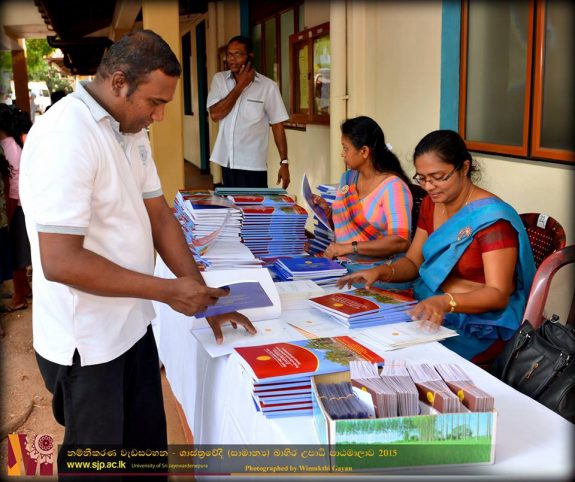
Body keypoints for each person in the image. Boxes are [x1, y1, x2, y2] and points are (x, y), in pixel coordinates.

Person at [19, 30, 256, 476]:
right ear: (119, 82)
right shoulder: (67, 134)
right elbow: (61, 261)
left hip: (132, 326)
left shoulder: (129, 129)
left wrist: (200, 296)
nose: (160, 115)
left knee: (144, 457)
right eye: (155, 102)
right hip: (87, 343)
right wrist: (168, 291)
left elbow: (159, 216)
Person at [337, 130, 536, 362]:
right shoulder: (431, 205)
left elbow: (497, 294)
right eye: (422, 178)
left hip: (480, 324)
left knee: (407, 362)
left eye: (438, 177)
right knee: (364, 343)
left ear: (464, 168)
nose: (429, 186)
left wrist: (445, 301)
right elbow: (413, 263)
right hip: (431, 306)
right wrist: (381, 271)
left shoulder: (492, 220)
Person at [311, 116, 413, 266]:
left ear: (364, 151)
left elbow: (400, 241)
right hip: (342, 264)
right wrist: (327, 212)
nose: (342, 154)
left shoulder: (393, 187)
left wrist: (349, 248)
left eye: (346, 148)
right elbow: (344, 228)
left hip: (377, 269)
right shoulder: (348, 179)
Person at [207, 35, 290, 189]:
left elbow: (277, 125)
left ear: (250, 55)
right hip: (228, 163)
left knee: (255, 205)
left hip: (254, 167)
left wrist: (284, 162)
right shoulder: (219, 80)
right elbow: (215, 114)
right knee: (231, 204)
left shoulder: (268, 87)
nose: (231, 59)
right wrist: (241, 86)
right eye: (229, 54)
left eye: (237, 54)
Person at [0, 103, 32, 311]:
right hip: (18, 204)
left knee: (17, 253)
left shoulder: (9, 147)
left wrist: (8, 213)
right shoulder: (12, 143)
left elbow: (13, 186)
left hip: (16, 206)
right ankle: (25, 289)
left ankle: (19, 296)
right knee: (19, 250)